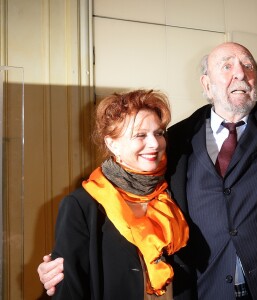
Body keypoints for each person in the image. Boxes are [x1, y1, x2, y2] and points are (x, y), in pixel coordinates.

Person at [38, 42, 257, 300]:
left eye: (248, 65)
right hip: (205, 290)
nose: (241, 73)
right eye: (227, 66)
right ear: (206, 84)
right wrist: (57, 269)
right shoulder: (181, 141)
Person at [38, 89, 189, 299]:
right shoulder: (81, 206)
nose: (155, 143)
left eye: (159, 133)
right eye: (140, 135)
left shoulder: (173, 191)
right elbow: (69, 291)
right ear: (112, 143)